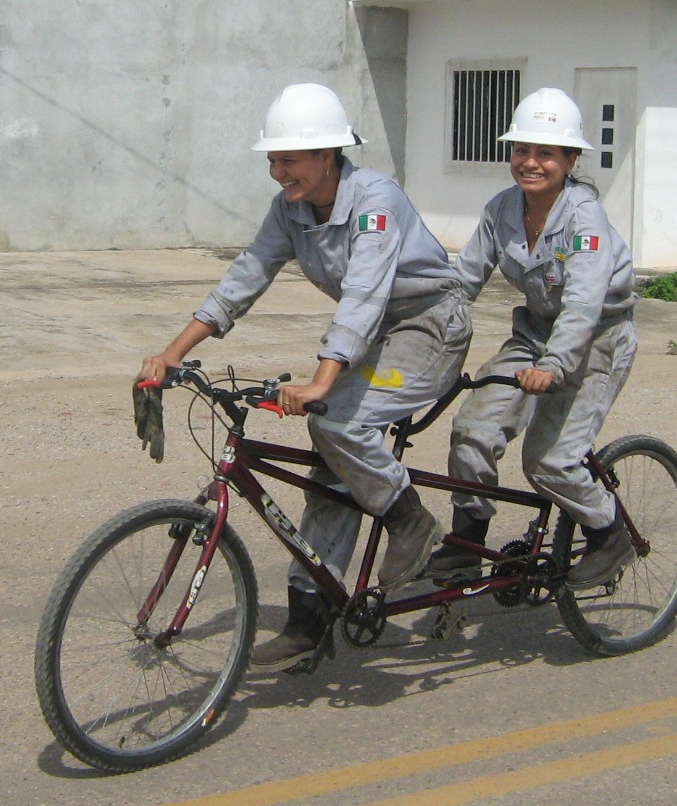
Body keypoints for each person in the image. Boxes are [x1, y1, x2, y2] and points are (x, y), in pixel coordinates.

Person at [140, 83, 471, 671]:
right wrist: (171, 353)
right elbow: (246, 275)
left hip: (428, 329)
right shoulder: (290, 209)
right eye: (272, 159)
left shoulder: (376, 200)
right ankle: (308, 619)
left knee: (338, 423)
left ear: (328, 155)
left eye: (288, 159)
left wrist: (321, 382)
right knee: (332, 464)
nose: (277, 172)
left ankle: (410, 522)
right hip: (374, 338)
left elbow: (365, 294)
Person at [426, 87, 638, 591]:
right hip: (535, 334)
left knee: (548, 463)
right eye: (521, 150)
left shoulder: (585, 218)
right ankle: (468, 540)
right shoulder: (501, 208)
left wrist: (555, 364)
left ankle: (610, 534)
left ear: (570, 159)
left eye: (546, 152)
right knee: (473, 429)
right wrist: (422, 332)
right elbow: (463, 281)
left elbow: (585, 301)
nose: (531, 162)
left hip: (597, 341)